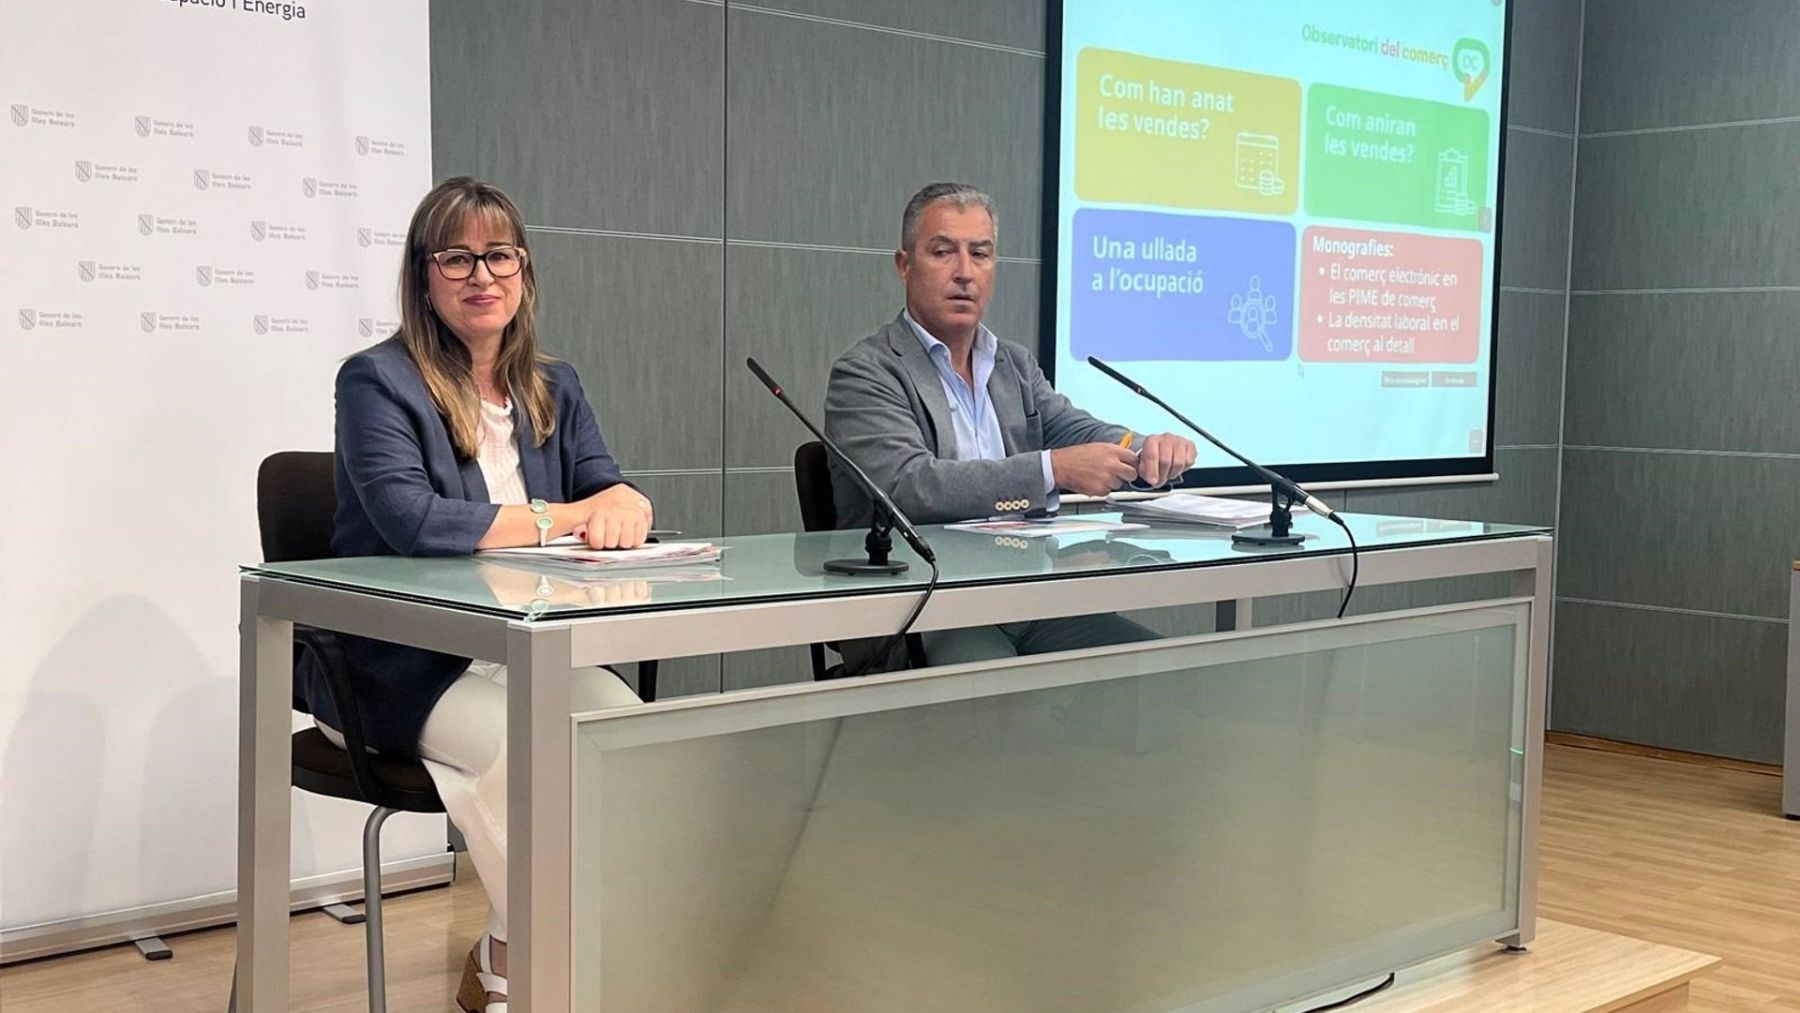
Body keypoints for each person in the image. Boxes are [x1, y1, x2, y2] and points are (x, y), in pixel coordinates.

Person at [303, 177, 650, 1012]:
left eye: (498, 254)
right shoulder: (377, 381)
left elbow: (609, 488)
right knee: (525, 748)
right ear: (425, 275)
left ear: (523, 271)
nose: (480, 273)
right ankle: (543, 981)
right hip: (392, 664)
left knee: (622, 737)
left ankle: (507, 954)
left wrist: (630, 501)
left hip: (520, 646)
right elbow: (413, 519)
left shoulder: (553, 387)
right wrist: (566, 514)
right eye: (455, 256)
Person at [823, 182, 1199, 667]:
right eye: (943, 252)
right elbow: (907, 485)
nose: (964, 273)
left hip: (1026, 599)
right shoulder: (866, 372)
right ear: (904, 265)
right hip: (922, 609)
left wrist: (1145, 446)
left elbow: (1076, 430)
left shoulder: (1012, 365)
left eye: (980, 254)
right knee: (1000, 697)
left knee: (1162, 673)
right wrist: (1052, 471)